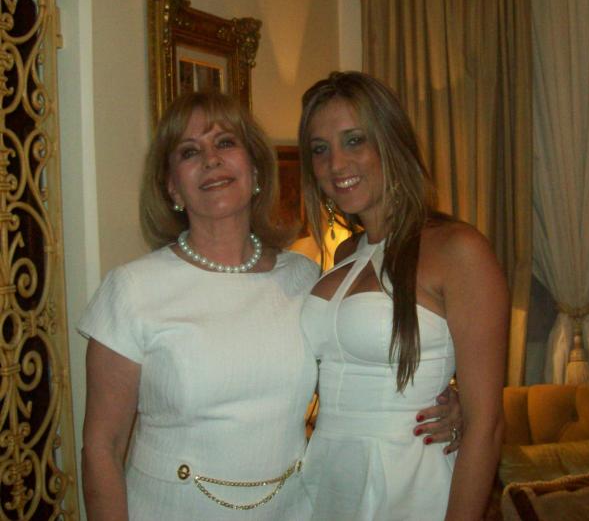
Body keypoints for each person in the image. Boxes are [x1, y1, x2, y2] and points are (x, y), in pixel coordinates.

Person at [79, 90, 462, 521]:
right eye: (189, 151)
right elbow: (102, 447)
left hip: (293, 509)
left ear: (257, 169)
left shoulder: (304, 277)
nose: (211, 160)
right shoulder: (133, 289)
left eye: (225, 142)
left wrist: (449, 401)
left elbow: (357, 368)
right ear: (171, 186)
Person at [297, 71, 509, 521]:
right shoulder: (345, 252)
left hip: (410, 485)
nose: (336, 164)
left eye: (354, 141)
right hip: (329, 479)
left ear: (391, 141)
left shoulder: (458, 249)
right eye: (320, 149)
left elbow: (486, 426)